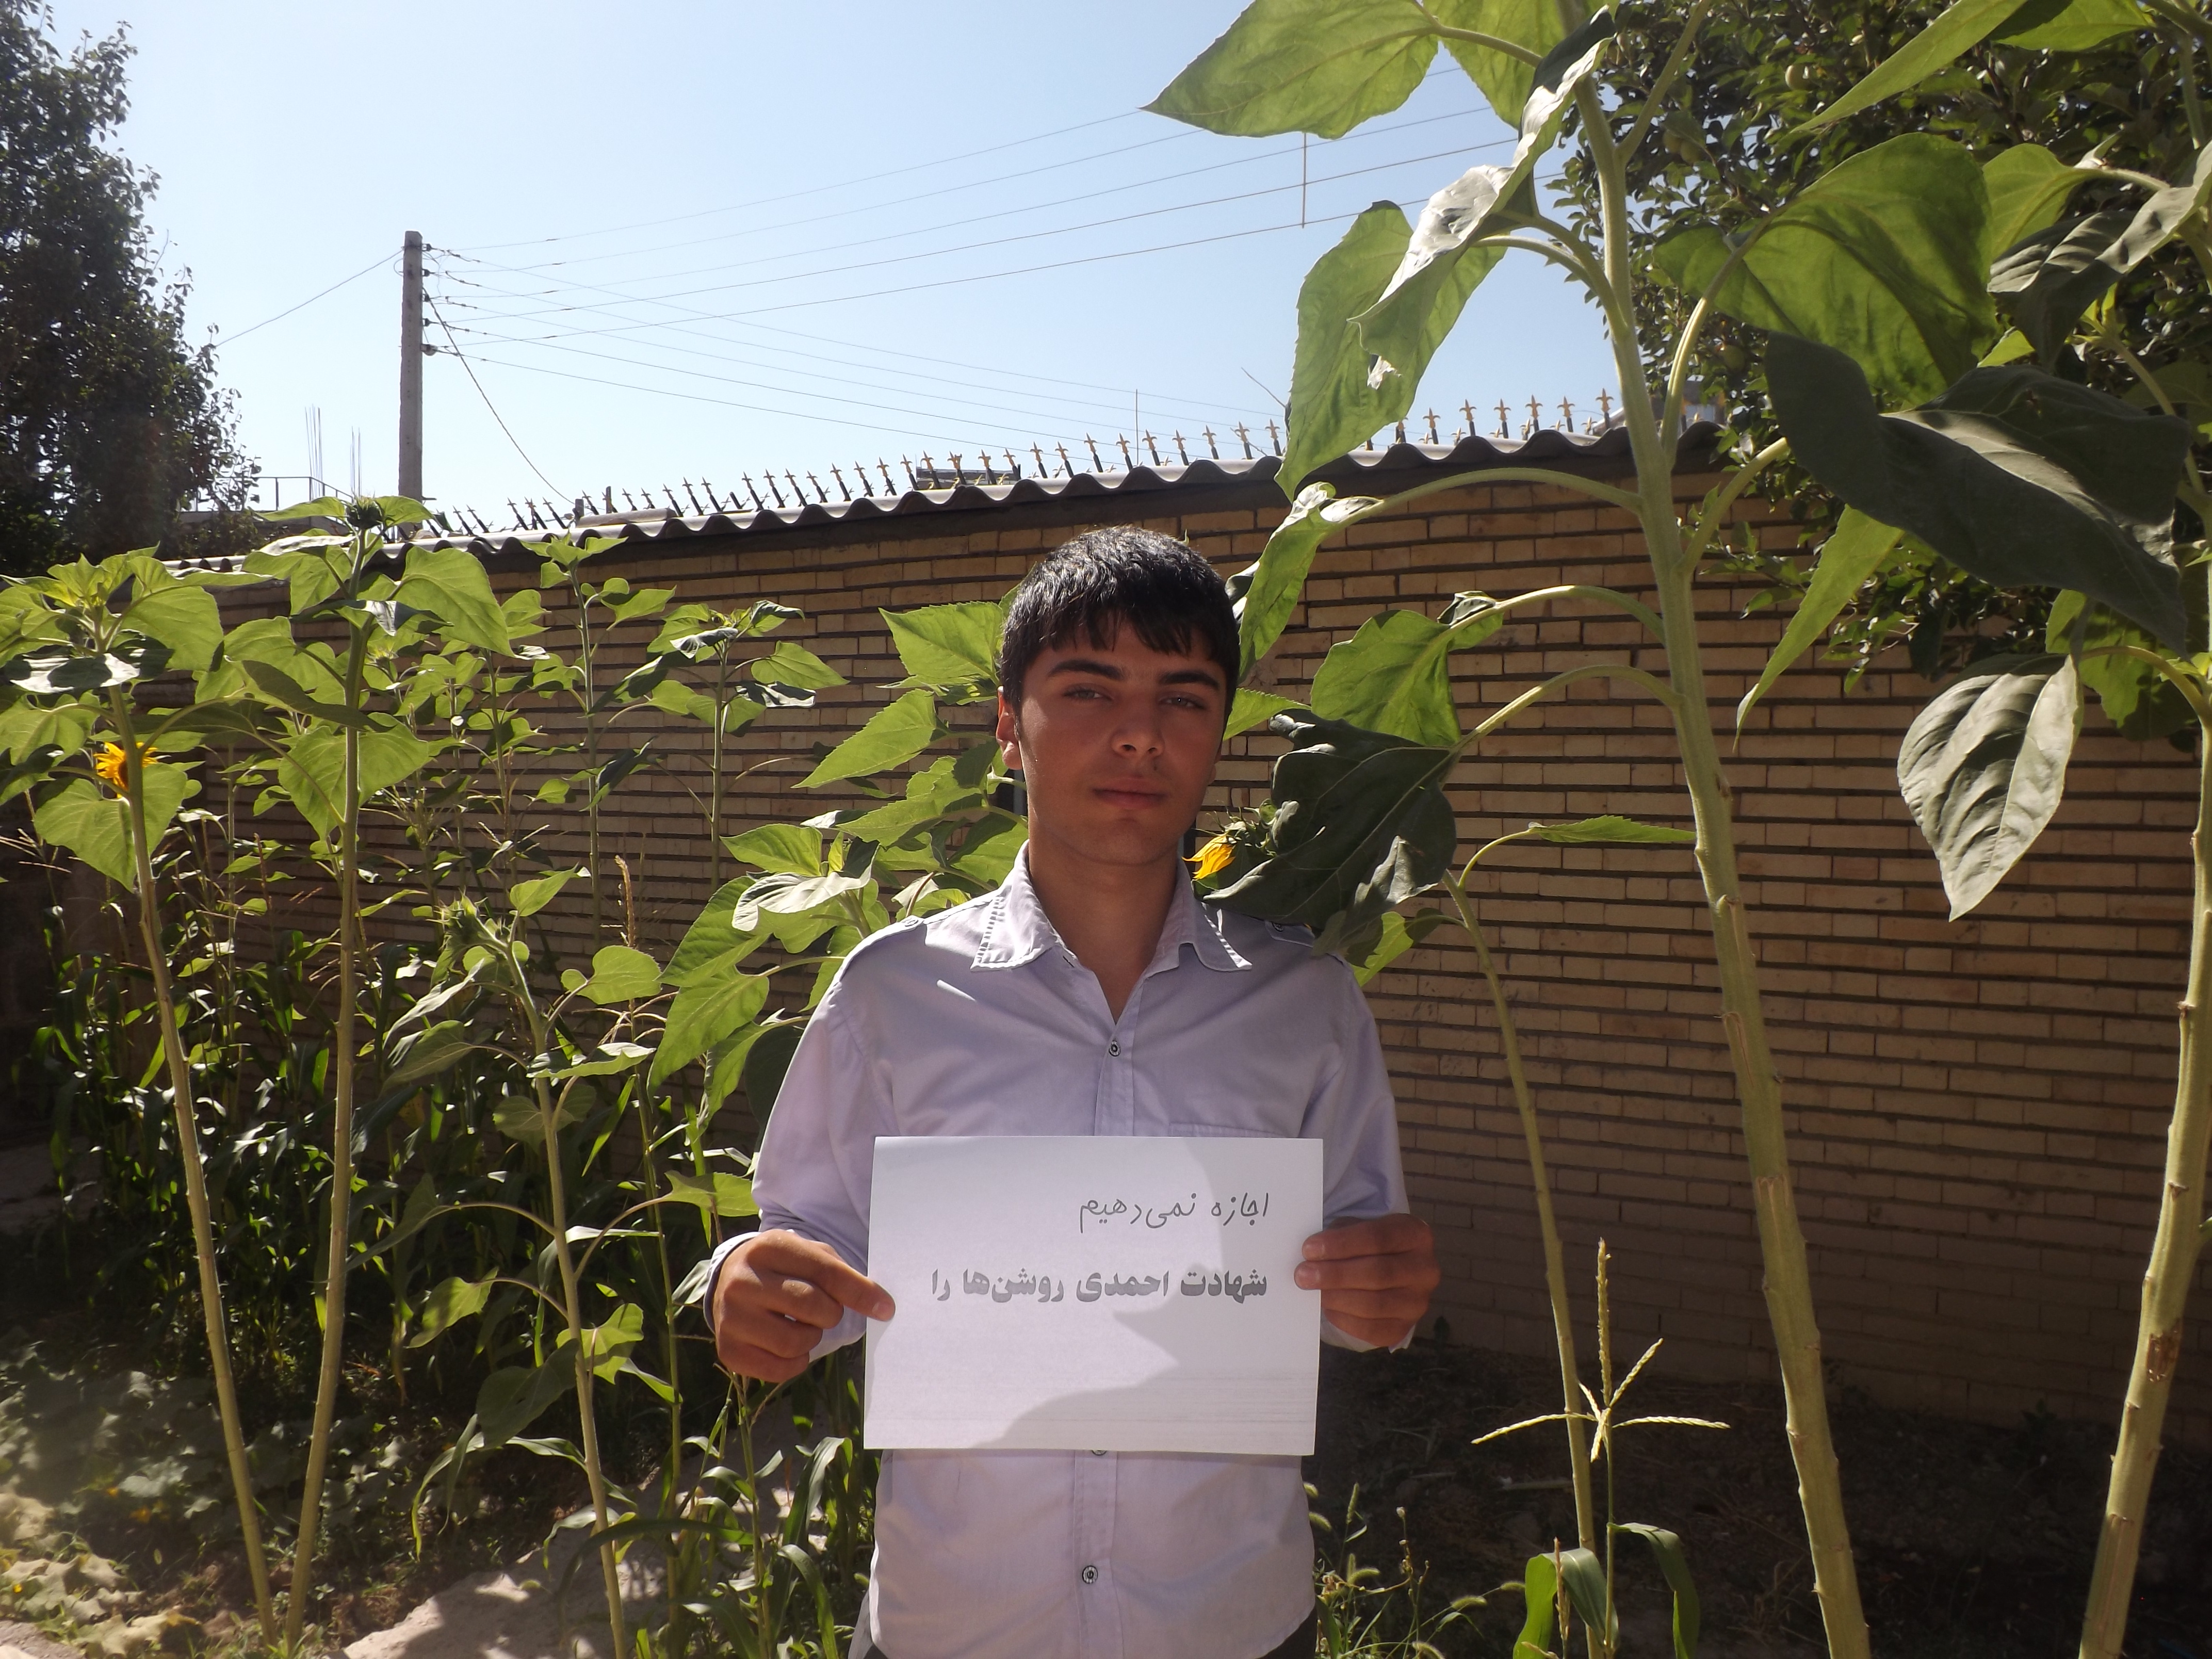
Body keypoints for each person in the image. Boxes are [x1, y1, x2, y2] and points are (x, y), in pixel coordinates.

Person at [704, 526, 1440, 1659]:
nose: (1139, 732)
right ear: (1009, 724)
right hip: (958, 1619)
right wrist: (748, 1287)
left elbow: (1350, 1277)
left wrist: (1379, 1294)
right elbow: (812, 1247)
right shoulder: (894, 995)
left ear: (1219, 732)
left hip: (1226, 1620)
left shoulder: (1307, 1006)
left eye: (1183, 698)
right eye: (1089, 689)